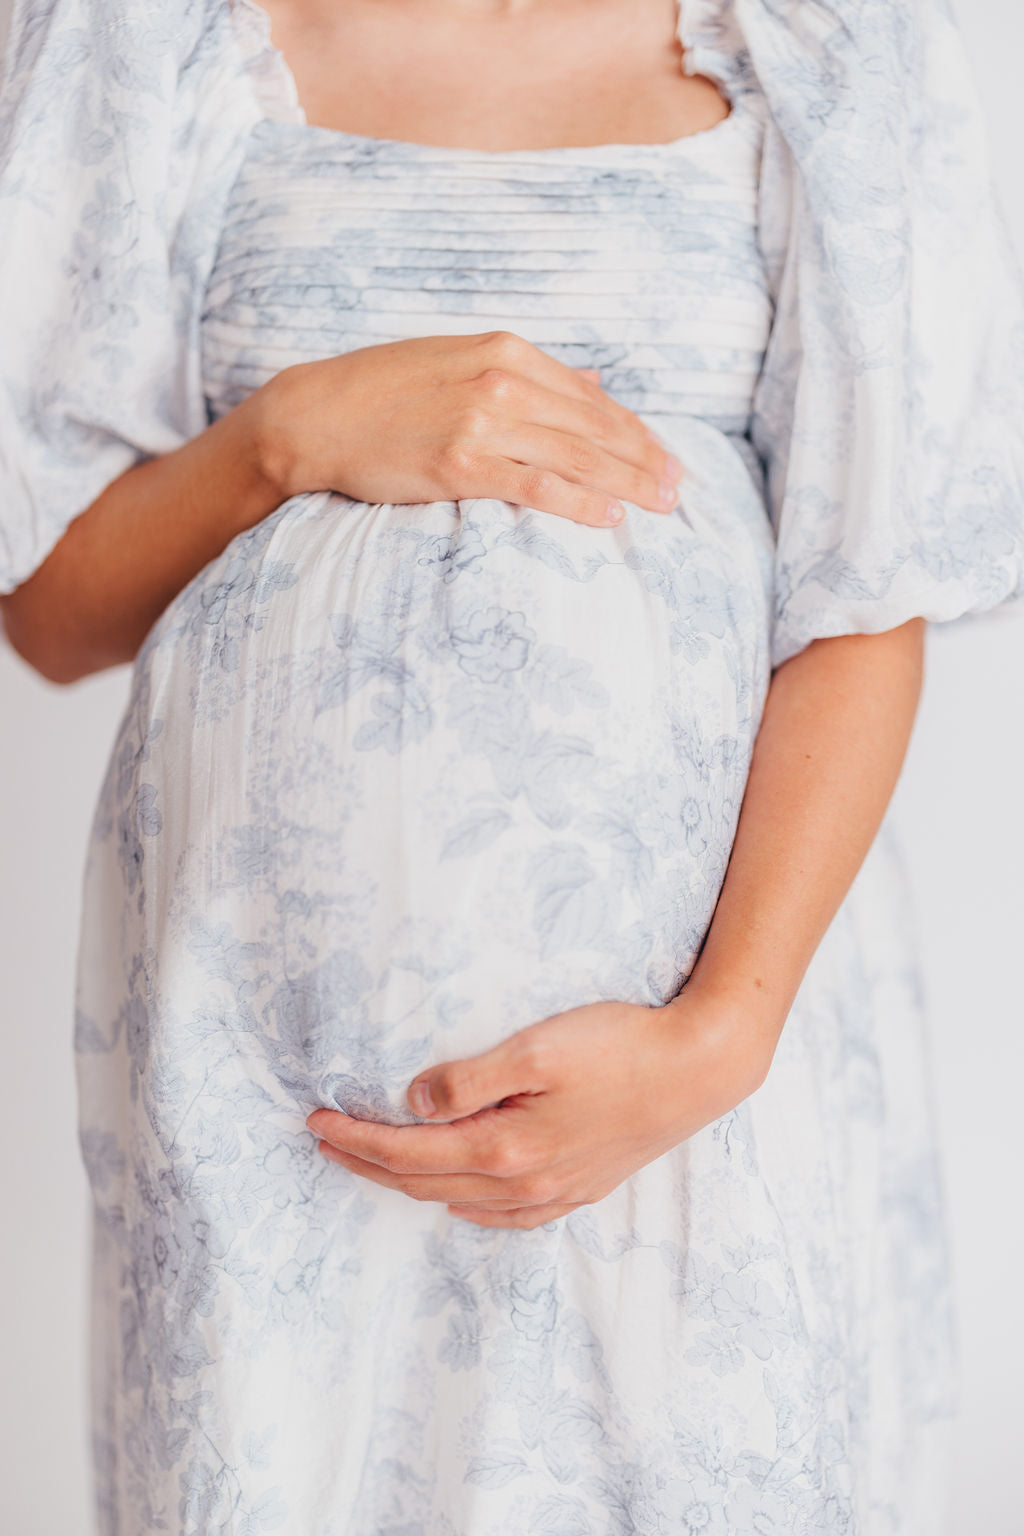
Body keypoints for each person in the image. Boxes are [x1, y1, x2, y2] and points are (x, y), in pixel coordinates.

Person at [1, 0, 1022, 1530]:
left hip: (693, 1089)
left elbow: (867, 595)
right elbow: (52, 612)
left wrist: (716, 1043)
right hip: (271, 1124)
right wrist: (282, 436)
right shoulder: (144, 34)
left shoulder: (832, 40)